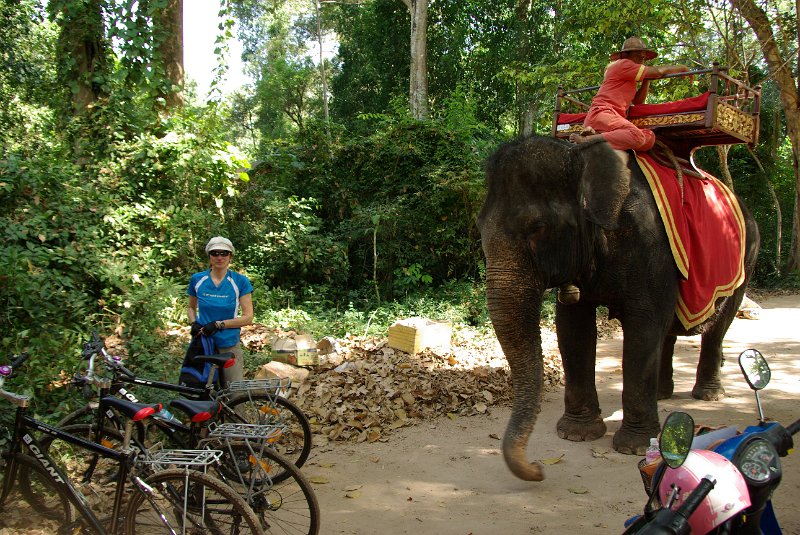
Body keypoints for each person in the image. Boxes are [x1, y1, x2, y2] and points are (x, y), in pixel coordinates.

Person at [570, 36, 690, 151]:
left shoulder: (630, 75)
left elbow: (638, 101)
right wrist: (681, 67)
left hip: (611, 119)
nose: (641, 59)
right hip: (603, 113)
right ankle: (589, 139)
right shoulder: (622, 64)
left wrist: (646, 79)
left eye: (643, 57)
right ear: (625, 55)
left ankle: (599, 136)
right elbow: (658, 72)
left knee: (650, 137)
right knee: (637, 136)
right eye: (638, 55)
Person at [187, 236, 253, 385]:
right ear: (209, 256)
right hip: (203, 342)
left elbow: (248, 317)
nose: (219, 257)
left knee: (234, 390)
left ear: (230, 256)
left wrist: (219, 324)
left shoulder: (240, 281)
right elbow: (191, 307)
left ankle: (234, 409)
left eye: (224, 253)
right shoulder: (197, 279)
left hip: (228, 343)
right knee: (203, 389)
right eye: (215, 253)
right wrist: (193, 323)